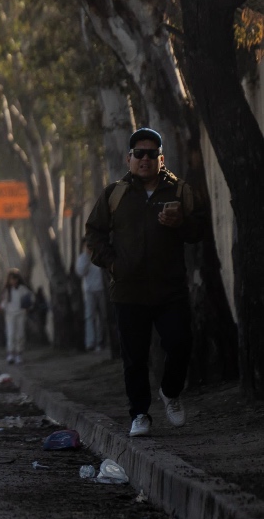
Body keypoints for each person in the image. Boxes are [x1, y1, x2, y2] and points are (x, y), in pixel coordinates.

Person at [84, 127, 206, 438]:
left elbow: (197, 232)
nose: (145, 159)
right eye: (139, 153)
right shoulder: (115, 193)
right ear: (129, 159)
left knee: (180, 343)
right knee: (134, 358)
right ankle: (140, 414)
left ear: (161, 159)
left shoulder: (180, 191)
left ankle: (170, 392)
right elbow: (94, 233)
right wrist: (113, 263)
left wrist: (181, 223)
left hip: (170, 289)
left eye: (152, 154)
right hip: (128, 290)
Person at [75, 248, 107, 352]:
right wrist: (87, 257)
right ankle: (90, 343)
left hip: (102, 289)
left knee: (103, 316)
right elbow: (80, 272)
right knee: (90, 316)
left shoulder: (101, 253)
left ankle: (100, 341)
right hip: (89, 291)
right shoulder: (83, 258)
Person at [0, 268, 31, 365]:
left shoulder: (23, 289)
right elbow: (3, 304)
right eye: (11, 279)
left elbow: (28, 301)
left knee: (20, 334)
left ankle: (19, 354)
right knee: (11, 334)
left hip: (20, 315)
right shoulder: (7, 291)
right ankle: (11, 353)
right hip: (10, 316)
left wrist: (27, 308)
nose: (13, 281)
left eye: (15, 279)